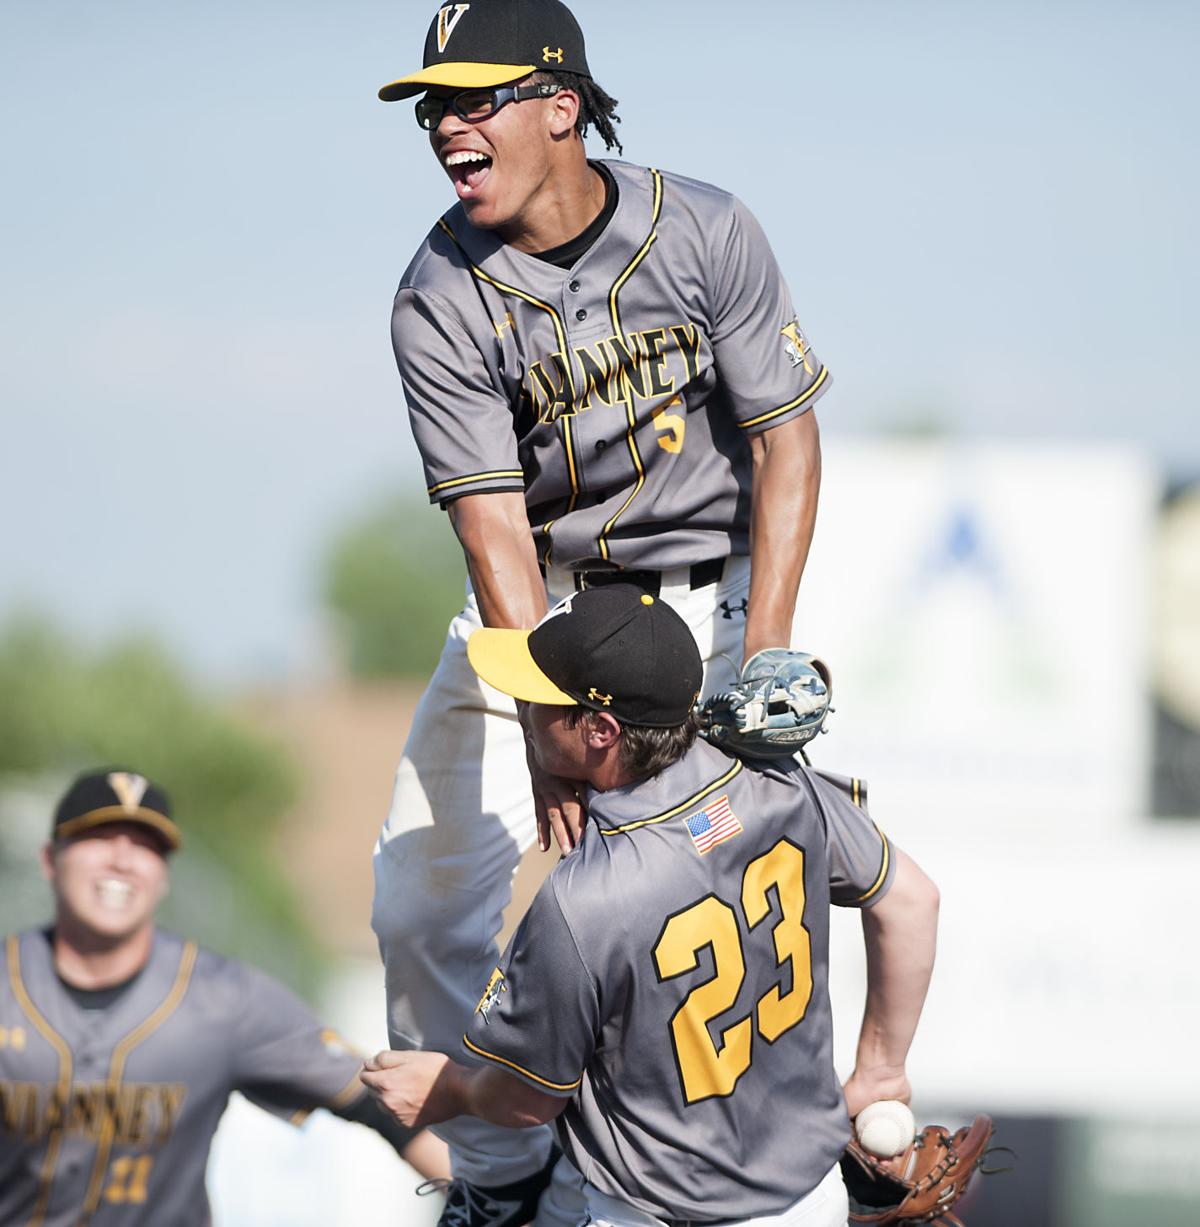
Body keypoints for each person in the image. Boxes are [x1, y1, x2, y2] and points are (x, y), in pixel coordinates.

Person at [372, 1, 828, 1222]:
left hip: (711, 606)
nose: (446, 124)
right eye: (434, 107)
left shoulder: (708, 229)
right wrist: (546, 723)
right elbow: (492, 532)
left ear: (561, 106)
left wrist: (770, 650)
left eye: (475, 99)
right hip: (544, 611)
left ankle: (812, 1166)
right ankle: (501, 1177)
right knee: (418, 891)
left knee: (739, 876)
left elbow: (787, 439)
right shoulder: (438, 292)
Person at [361, 587, 940, 1227]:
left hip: (658, 1213)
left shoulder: (582, 900)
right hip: (813, 1200)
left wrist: (451, 1090)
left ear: (603, 730)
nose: (524, 708)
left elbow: (527, 1102)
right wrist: (882, 1071)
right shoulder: (776, 782)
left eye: (542, 699)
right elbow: (912, 900)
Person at [0, 769, 448, 1227]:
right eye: (97, 836)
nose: (122, 858)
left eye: (145, 844)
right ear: (50, 860)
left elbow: (380, 1101)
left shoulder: (225, 999)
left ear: (164, 876)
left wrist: (493, 1197)